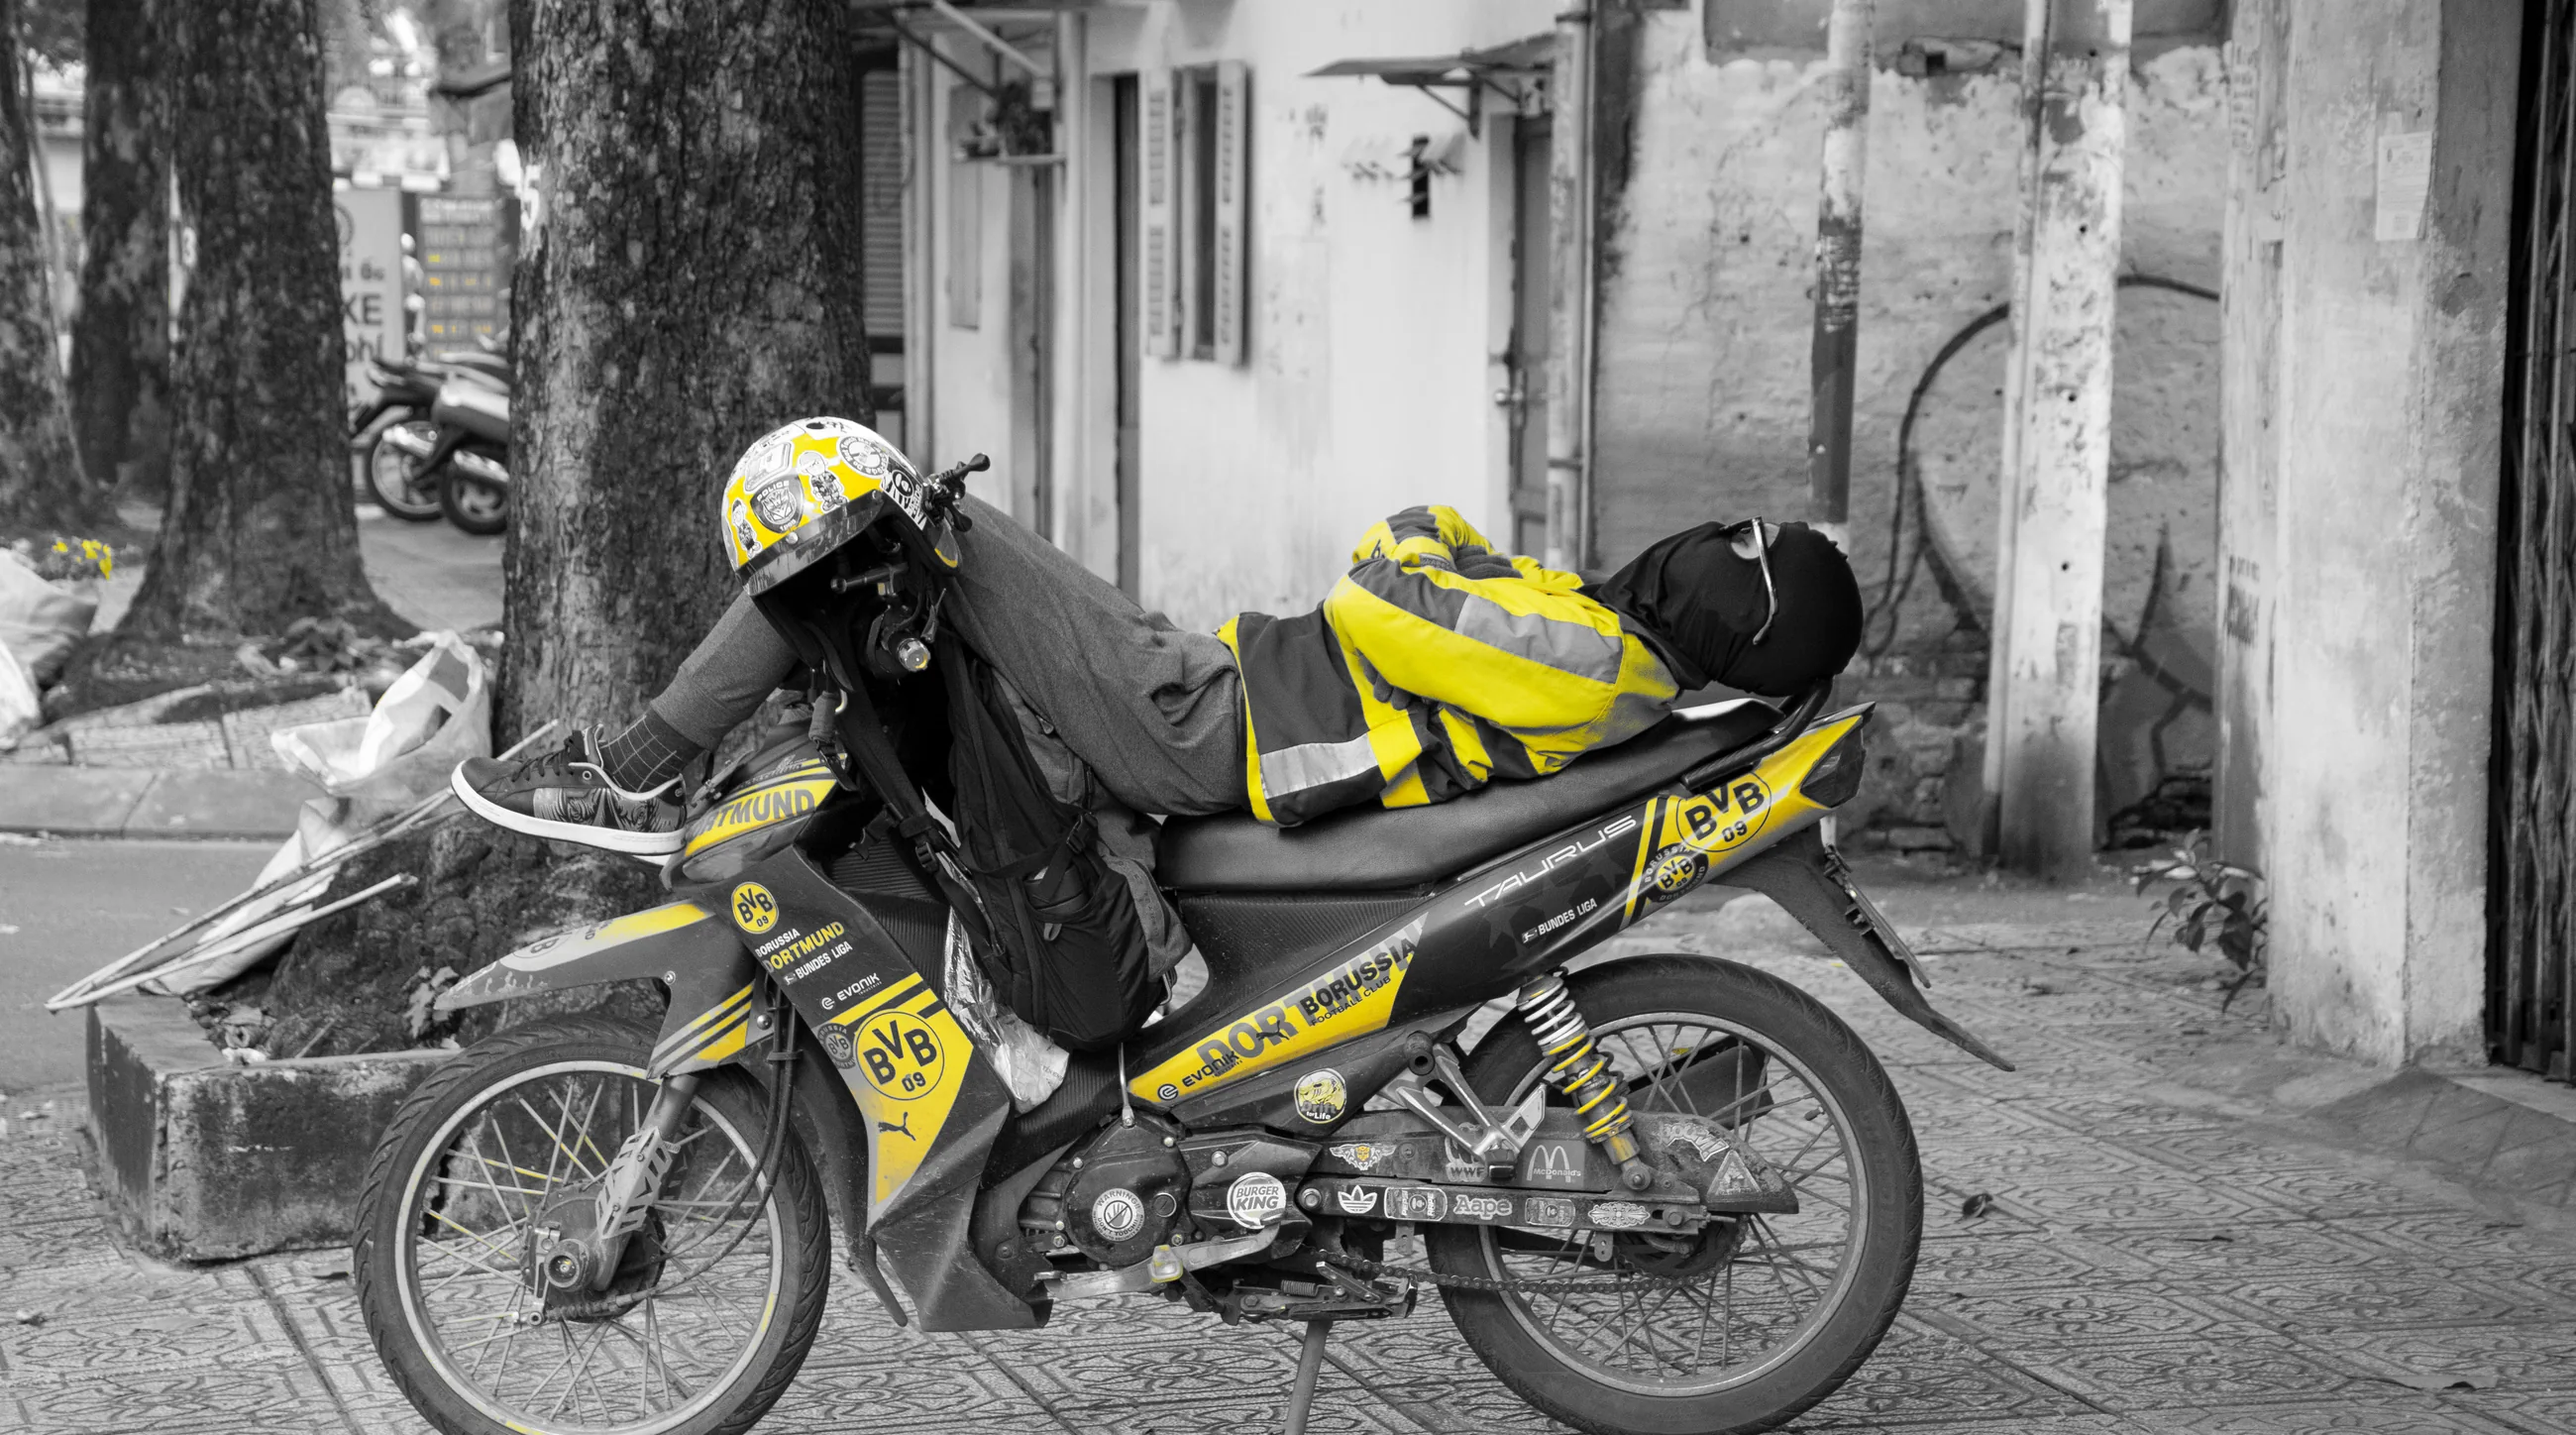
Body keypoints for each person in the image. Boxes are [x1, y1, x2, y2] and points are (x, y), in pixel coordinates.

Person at [455, 418, 1861, 855]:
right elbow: (1433, 552)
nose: (1710, 542)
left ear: (1739, 616)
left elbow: (1390, 582)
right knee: (885, 551)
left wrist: (1420, 551)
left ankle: (642, 763)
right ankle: (678, 762)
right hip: (1216, 690)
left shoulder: (1602, 658)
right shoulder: (1608, 639)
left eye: (1740, 557)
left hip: (1213, 725)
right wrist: (1434, 548)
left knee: (886, 517)